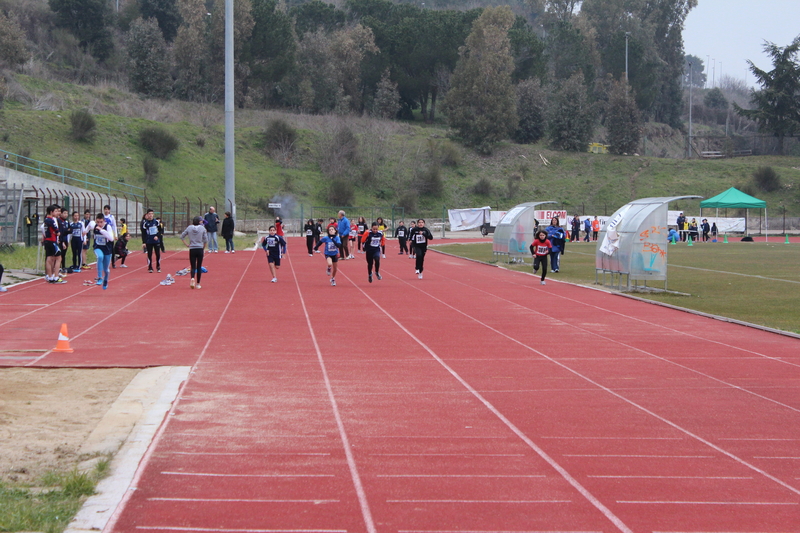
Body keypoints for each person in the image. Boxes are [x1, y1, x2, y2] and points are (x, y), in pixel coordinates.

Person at [181, 216, 208, 289]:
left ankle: (192, 278)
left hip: (192, 248)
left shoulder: (189, 228)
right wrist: (203, 247)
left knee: (193, 266)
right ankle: (198, 284)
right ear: (199, 222)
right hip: (199, 248)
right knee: (199, 266)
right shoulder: (202, 228)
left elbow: (182, 236)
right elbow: (205, 240)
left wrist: (187, 244)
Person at [42, 204, 66, 284]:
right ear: (51, 212)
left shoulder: (45, 220)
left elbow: (43, 228)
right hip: (52, 241)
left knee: (49, 258)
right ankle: (56, 276)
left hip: (47, 241)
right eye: (55, 211)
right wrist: (57, 233)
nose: (57, 213)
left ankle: (50, 276)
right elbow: (57, 231)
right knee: (58, 258)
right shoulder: (51, 220)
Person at [91, 214, 114, 290]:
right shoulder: (94, 225)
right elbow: (87, 227)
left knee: (106, 269)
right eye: (98, 222)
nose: (99, 224)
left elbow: (111, 238)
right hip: (97, 247)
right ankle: (100, 277)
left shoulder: (108, 227)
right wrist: (84, 233)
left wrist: (101, 230)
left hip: (107, 249)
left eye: (101, 222)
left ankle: (106, 280)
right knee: (100, 257)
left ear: (104, 221)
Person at [141, 209, 162, 273]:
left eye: (152, 214)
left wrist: (157, 236)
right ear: (147, 215)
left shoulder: (156, 222)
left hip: (156, 241)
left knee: (157, 254)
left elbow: (160, 231)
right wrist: (144, 242)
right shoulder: (145, 223)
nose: (151, 215)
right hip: (148, 241)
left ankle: (158, 267)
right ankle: (150, 267)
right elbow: (143, 233)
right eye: (149, 214)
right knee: (149, 254)